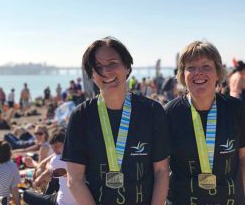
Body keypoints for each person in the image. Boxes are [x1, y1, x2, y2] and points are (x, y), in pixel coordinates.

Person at [62, 37, 170, 205]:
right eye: (98, 67)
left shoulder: (152, 111)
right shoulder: (81, 116)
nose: (105, 72)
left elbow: (162, 171)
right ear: (91, 74)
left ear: (127, 67)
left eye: (112, 63)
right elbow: (74, 179)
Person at [165, 41, 245, 204]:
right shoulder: (169, 113)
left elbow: (243, 160)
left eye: (206, 67)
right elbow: (160, 168)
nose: (198, 73)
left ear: (218, 72)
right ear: (182, 74)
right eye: (191, 67)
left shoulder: (236, 109)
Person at [23, 130, 77, 205]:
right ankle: (46, 194)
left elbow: (45, 166)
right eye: (52, 148)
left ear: (65, 144)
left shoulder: (57, 159)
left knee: (26, 194)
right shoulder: (78, 155)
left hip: (62, 202)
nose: (54, 150)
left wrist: (39, 178)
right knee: (56, 176)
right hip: (78, 199)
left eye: (56, 146)